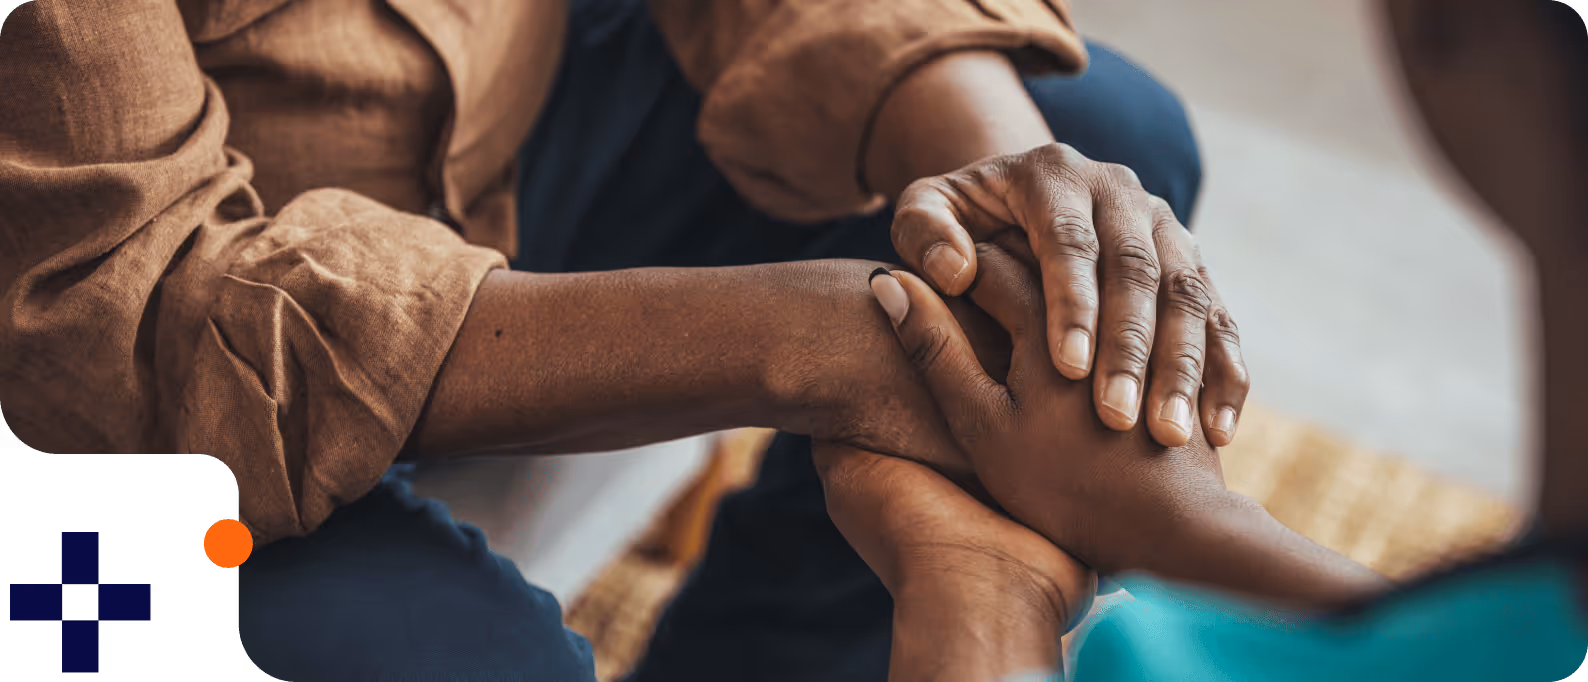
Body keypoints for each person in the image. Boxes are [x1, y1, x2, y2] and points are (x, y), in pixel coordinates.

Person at [2, 0, 1247, 680]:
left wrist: (990, 161)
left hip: (498, 140)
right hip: (96, 385)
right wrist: (797, 340)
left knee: (1085, 147)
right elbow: (117, 313)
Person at [841, 0, 1588, 678]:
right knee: (1111, 130)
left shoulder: (1169, 663)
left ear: (1451, 23)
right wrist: (1192, 524)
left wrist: (977, 594)